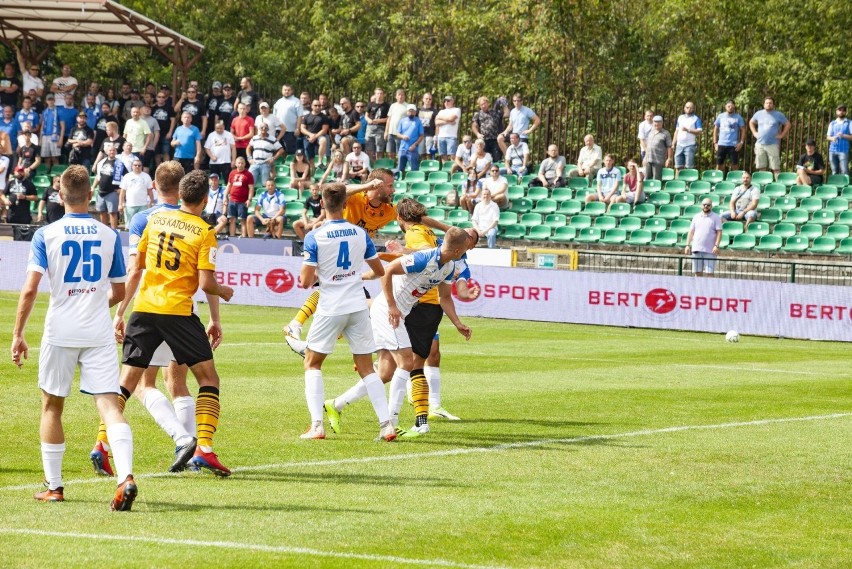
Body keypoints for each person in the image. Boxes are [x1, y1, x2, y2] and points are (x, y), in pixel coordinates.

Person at [11, 165, 137, 510]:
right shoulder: (109, 234)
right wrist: (95, 302)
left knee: (52, 406)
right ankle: (125, 477)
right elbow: (120, 290)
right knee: (110, 405)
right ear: (91, 195)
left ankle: (54, 486)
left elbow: (30, 289)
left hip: (60, 330)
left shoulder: (46, 234)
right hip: (97, 331)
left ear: (60, 194)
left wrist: (18, 333)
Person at [114, 169, 235, 476]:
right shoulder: (204, 231)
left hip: (144, 308)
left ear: (179, 195)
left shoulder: (152, 220)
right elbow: (207, 283)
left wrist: (121, 311)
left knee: (127, 384)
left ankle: (104, 443)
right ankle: (203, 449)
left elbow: (137, 265)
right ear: (205, 200)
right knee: (208, 378)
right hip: (178, 312)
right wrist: (224, 291)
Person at [297, 183, 393, 441]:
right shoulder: (360, 234)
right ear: (345, 205)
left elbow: (305, 281)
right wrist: (354, 275)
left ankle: (317, 425)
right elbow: (379, 270)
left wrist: (324, 274)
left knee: (312, 362)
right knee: (366, 368)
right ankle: (386, 425)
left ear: (321, 205)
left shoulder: (314, 236)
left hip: (331, 305)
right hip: (358, 305)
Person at [370, 225, 472, 436]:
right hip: (391, 311)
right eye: (465, 249)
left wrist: (457, 323)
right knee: (406, 364)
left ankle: (339, 404)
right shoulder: (424, 258)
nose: (465, 253)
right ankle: (391, 423)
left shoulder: (449, 267)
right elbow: (387, 271)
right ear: (457, 251)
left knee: (390, 370)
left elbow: (445, 297)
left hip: (403, 313)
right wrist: (391, 306)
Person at [749, 97, 790, 181]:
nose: (768, 104)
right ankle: (762, 185)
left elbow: (788, 124)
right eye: (767, 103)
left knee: (775, 167)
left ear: (773, 105)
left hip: (773, 144)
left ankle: (778, 185)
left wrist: (782, 135)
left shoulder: (778, 114)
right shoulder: (758, 114)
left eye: (770, 103)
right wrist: (754, 133)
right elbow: (751, 122)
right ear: (764, 104)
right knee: (761, 167)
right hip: (760, 144)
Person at [684, 198, 723, 277]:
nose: (706, 206)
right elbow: (691, 232)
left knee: (710, 274)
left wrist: (716, 245)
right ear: (701, 205)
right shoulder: (696, 217)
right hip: (696, 249)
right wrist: (687, 245)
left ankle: (709, 289)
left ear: (711, 206)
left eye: (708, 205)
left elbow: (719, 232)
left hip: (710, 250)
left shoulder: (716, 217)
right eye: (704, 204)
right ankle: (698, 289)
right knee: (697, 273)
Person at [91, 144, 124, 228]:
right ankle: (104, 230)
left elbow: (126, 177)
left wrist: (121, 189)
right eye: (110, 150)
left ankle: (114, 231)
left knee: (112, 213)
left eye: (113, 150)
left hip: (112, 192)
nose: (112, 152)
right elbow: (98, 177)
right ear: (106, 152)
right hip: (101, 191)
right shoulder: (101, 162)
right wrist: (93, 187)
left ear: (116, 152)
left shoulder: (120, 163)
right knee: (102, 212)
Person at [119, 157, 154, 227]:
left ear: (142, 166)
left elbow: (150, 191)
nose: (137, 166)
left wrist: (151, 202)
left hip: (143, 205)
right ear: (132, 166)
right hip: (130, 205)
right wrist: (120, 204)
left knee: (142, 226)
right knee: (129, 226)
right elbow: (122, 192)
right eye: (135, 165)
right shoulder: (127, 176)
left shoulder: (146, 176)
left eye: (139, 165)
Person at [225, 156, 255, 237]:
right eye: (239, 163)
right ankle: (232, 237)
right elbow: (228, 185)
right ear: (235, 164)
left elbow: (251, 188)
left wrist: (249, 199)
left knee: (242, 220)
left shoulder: (248, 174)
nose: (240, 165)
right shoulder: (232, 173)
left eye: (242, 163)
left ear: (245, 164)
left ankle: (244, 238)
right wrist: (225, 197)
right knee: (232, 220)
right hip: (232, 200)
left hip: (242, 201)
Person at [713, 100, 746, 173]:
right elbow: (715, 129)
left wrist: (741, 142)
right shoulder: (720, 116)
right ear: (725, 107)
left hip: (733, 145)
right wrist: (715, 143)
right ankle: (719, 181)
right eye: (728, 106)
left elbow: (743, 130)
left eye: (731, 106)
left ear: (734, 107)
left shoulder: (738, 117)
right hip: (721, 144)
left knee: (735, 164)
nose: (730, 107)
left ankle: (736, 180)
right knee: (719, 164)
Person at [247, 123, 283, 187]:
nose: (263, 129)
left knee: (265, 184)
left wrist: (273, 158)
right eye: (261, 127)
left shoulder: (272, 139)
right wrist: (249, 158)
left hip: (265, 164)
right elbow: (248, 148)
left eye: (265, 128)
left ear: (268, 129)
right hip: (254, 163)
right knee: (250, 183)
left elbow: (281, 150)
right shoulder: (254, 138)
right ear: (259, 129)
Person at [673, 101, 702, 175]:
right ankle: (677, 183)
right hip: (679, 145)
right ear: (684, 108)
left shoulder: (696, 119)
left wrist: (688, 130)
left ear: (693, 109)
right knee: (678, 166)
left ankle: (688, 184)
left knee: (689, 167)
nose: (689, 109)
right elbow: (676, 131)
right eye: (687, 107)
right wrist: (673, 143)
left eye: (691, 108)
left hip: (690, 145)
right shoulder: (680, 117)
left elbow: (699, 132)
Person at [472, 96, 504, 161]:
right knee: (484, 159)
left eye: (484, 103)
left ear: (488, 103)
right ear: (479, 106)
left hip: (495, 139)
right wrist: (478, 134)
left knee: (497, 158)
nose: (483, 106)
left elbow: (507, 114)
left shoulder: (495, 112)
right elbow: (474, 125)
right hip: (484, 140)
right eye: (481, 105)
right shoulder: (478, 114)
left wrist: (505, 104)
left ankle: (495, 170)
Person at [273, 84, 301, 155]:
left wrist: (297, 128)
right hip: (278, 130)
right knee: (279, 150)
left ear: (292, 91)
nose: (287, 91)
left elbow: (299, 116)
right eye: (285, 90)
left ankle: (290, 165)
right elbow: (274, 117)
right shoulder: (278, 102)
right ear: (282, 91)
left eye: (288, 90)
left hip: (290, 131)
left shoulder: (296, 101)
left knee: (290, 151)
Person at [301, 99, 330, 168]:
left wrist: (315, 136)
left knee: (323, 140)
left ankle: (320, 161)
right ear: (312, 106)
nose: (318, 107)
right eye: (315, 105)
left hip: (319, 136)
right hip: (308, 137)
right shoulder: (306, 116)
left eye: (319, 105)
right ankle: (313, 173)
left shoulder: (324, 117)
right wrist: (310, 135)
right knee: (310, 159)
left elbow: (324, 130)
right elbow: (302, 129)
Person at [396, 104, 424, 173]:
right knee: (400, 170)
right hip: (402, 149)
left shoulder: (418, 121)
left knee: (414, 170)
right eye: (409, 111)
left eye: (412, 111)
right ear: (407, 112)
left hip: (413, 150)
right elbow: (397, 133)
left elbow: (421, 135)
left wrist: (415, 145)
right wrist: (403, 136)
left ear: (415, 112)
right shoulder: (402, 121)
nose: (411, 113)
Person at [644, 116, 673, 180]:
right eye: (655, 122)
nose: (656, 124)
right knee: (647, 179)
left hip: (658, 160)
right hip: (648, 159)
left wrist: (669, 158)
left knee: (656, 179)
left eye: (658, 122)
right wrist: (645, 157)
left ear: (662, 123)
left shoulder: (666, 133)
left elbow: (669, 147)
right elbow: (648, 146)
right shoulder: (650, 132)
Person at [364, 88, 389, 161]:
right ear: (375, 95)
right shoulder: (371, 104)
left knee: (379, 149)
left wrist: (379, 121)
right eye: (378, 93)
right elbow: (366, 115)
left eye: (381, 93)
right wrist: (369, 120)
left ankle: (378, 166)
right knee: (369, 149)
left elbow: (388, 118)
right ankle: (371, 166)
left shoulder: (387, 106)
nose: (379, 95)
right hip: (370, 128)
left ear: (383, 95)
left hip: (380, 128)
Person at [435, 95, 462, 164]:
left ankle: (452, 171)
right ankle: (445, 171)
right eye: (445, 101)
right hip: (441, 136)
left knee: (452, 155)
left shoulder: (456, 110)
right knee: (443, 156)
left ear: (453, 101)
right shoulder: (441, 111)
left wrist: (440, 118)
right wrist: (447, 122)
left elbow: (451, 118)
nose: (446, 102)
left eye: (448, 100)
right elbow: (436, 122)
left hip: (451, 136)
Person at [383, 89, 409, 161]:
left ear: (404, 96)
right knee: (390, 152)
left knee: (400, 152)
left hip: (400, 133)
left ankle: (399, 167)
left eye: (402, 95)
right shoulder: (392, 106)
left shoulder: (407, 106)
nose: (400, 96)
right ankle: (391, 168)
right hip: (391, 132)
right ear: (396, 96)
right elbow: (389, 119)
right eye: (399, 95)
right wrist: (386, 132)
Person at [826, 104, 851, 176]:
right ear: (836, 112)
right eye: (840, 110)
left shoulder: (849, 123)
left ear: (846, 112)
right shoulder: (832, 123)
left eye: (843, 110)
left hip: (843, 150)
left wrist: (843, 135)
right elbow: (828, 137)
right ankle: (835, 187)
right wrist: (832, 138)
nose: (841, 112)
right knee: (834, 172)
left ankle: (846, 187)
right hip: (832, 150)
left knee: (844, 171)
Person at [417, 93, 438, 159]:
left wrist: (436, 135)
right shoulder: (418, 110)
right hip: (420, 134)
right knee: (421, 153)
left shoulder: (434, 111)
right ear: (423, 99)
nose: (428, 100)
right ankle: (422, 167)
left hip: (430, 134)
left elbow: (437, 125)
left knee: (429, 153)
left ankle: (429, 167)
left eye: (430, 99)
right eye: (426, 98)